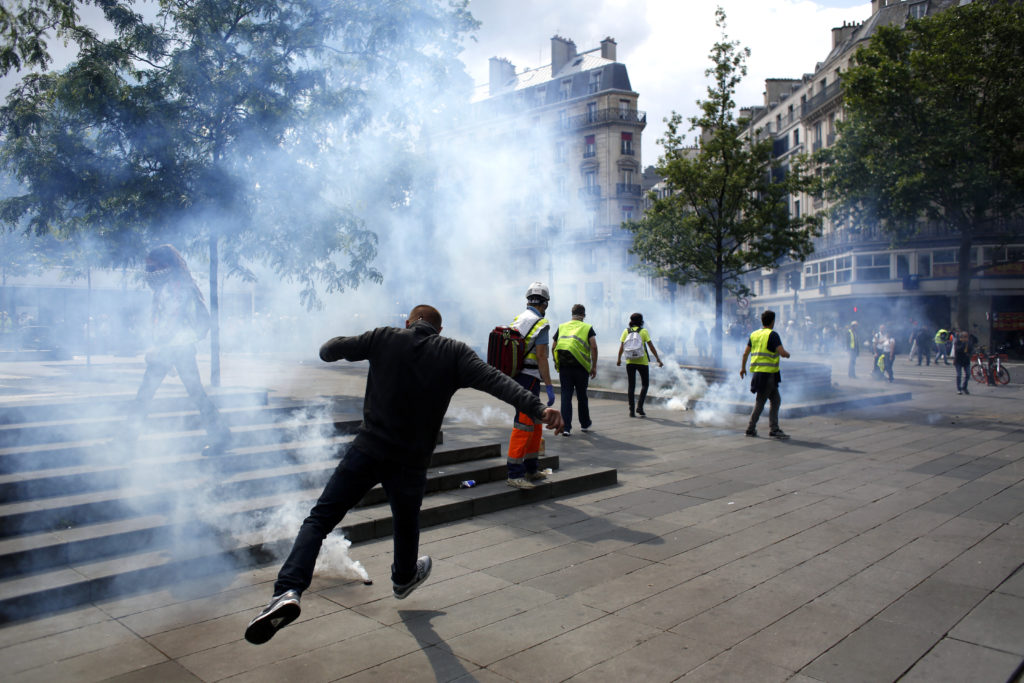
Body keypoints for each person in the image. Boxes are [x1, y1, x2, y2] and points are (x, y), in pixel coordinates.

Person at [244, 305, 563, 645]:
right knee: (405, 523)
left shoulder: (384, 337)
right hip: (411, 462)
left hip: (367, 451)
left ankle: (288, 591)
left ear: (408, 322)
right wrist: (540, 409)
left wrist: (350, 342)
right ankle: (403, 578)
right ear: (437, 330)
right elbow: (496, 381)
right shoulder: (453, 352)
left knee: (320, 520)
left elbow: (328, 350)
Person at [128, 245, 230, 455]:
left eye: (152, 266)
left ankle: (123, 445)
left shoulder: (173, 287)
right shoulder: (173, 284)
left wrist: (159, 348)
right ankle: (221, 436)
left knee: (144, 396)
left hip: (173, 349)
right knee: (194, 394)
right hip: (178, 349)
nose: (148, 272)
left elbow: (171, 323)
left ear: (165, 265)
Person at [506, 282, 557, 489]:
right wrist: (549, 385)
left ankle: (531, 468)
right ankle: (514, 473)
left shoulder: (519, 319)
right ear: (545, 303)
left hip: (518, 377)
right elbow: (543, 357)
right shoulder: (540, 323)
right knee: (524, 424)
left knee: (535, 423)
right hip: (530, 379)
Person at [739, 309, 791, 439]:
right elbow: (781, 352)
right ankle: (751, 429)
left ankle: (774, 428)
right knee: (760, 402)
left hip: (759, 374)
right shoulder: (772, 335)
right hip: (768, 375)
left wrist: (742, 368)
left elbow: (745, 353)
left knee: (776, 400)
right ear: (773, 321)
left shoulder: (754, 334)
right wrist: (787, 354)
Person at [552, 304, 597, 437]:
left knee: (566, 396)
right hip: (581, 368)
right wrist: (594, 366)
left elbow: (554, 346)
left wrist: (556, 362)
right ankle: (584, 424)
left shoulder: (562, 327)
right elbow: (593, 346)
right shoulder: (587, 327)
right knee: (582, 396)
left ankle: (566, 427)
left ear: (572, 314)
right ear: (583, 315)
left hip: (565, 367)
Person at [616, 312, 663, 417]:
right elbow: (651, 347)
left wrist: (619, 359)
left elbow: (621, 347)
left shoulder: (625, 331)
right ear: (641, 321)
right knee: (645, 384)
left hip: (630, 361)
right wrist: (658, 359)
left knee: (631, 386)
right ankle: (640, 407)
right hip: (642, 361)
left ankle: (631, 410)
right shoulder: (643, 331)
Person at [953, 330, 973, 395]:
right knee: (959, 375)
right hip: (958, 360)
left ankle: (964, 387)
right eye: (964, 337)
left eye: (967, 337)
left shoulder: (969, 343)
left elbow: (971, 350)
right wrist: (963, 344)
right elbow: (958, 350)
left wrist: (970, 354)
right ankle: (959, 389)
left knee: (968, 374)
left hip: (966, 361)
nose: (966, 338)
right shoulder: (957, 342)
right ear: (961, 337)